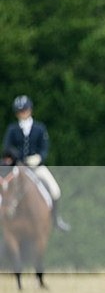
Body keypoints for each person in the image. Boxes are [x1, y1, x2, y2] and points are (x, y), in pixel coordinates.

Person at [3, 95, 70, 231]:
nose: (23, 113)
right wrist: (17, 160)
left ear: (30, 110)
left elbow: (44, 148)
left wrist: (39, 158)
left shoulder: (39, 128)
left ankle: (55, 220)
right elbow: (7, 148)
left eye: (25, 110)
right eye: (20, 111)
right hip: (18, 167)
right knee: (4, 189)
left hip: (36, 167)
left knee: (55, 190)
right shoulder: (12, 129)